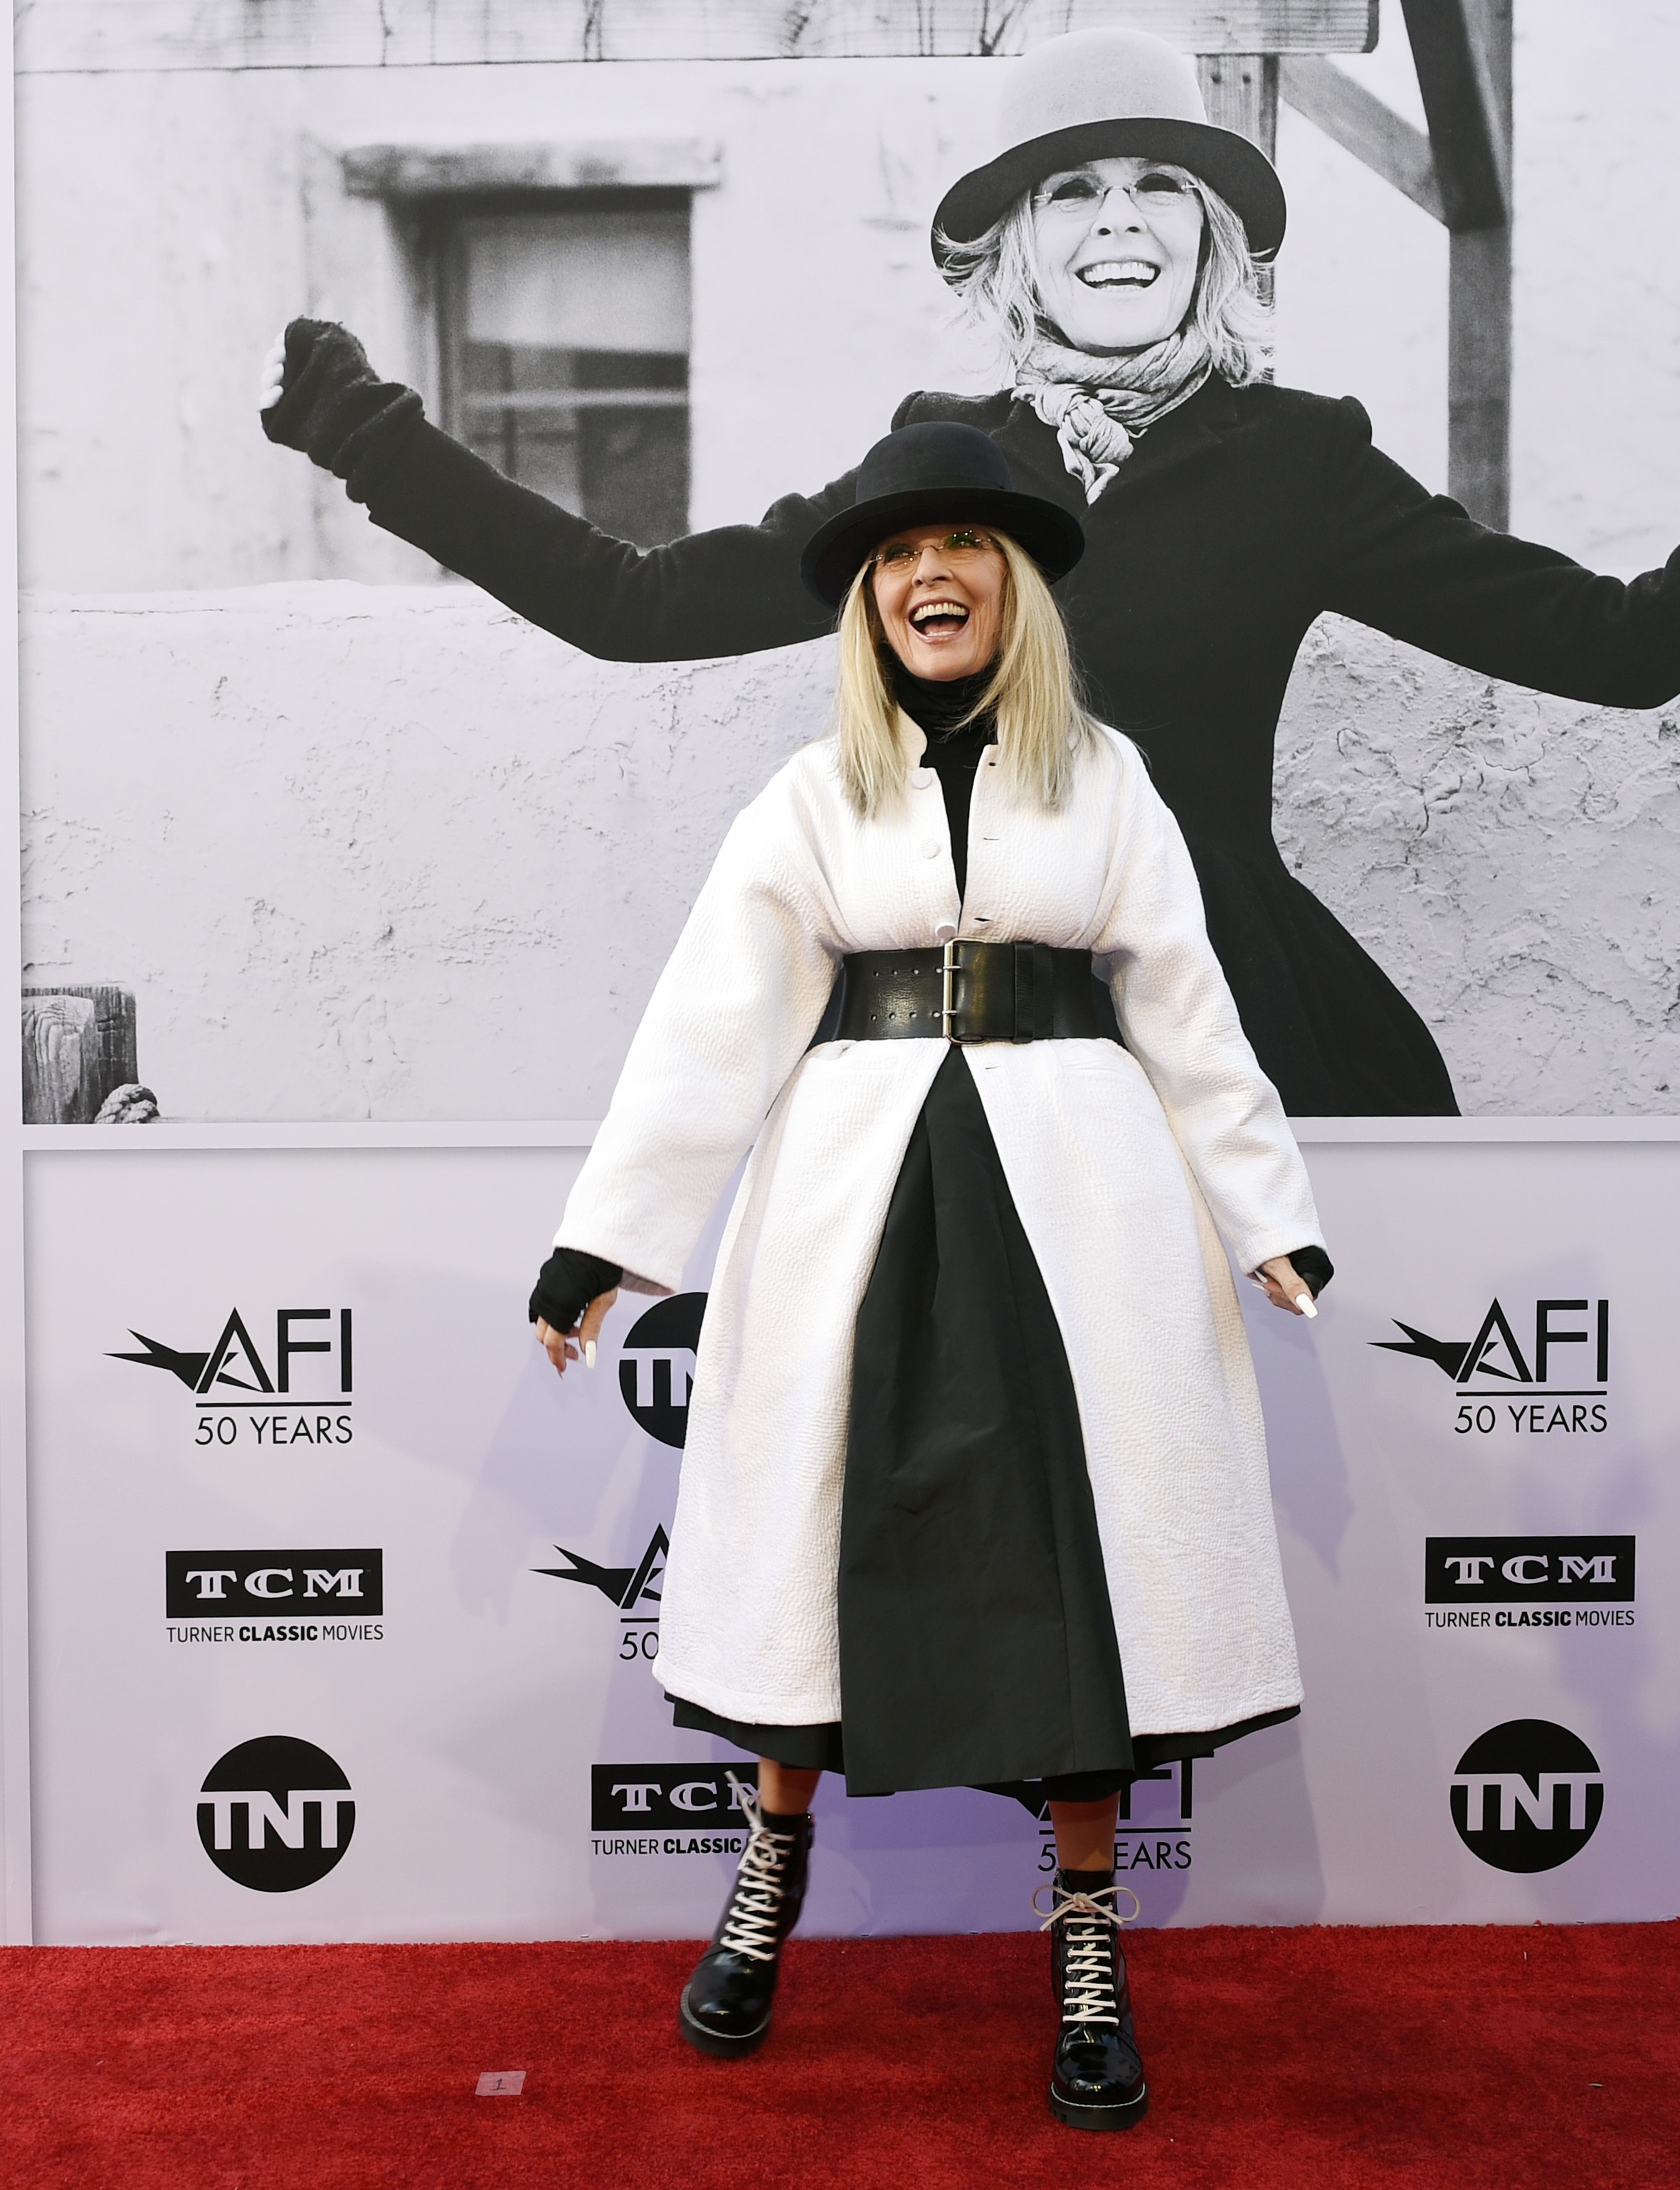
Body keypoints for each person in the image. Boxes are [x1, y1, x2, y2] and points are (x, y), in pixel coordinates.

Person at [258, 28, 1680, 1121]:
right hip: (961, 1021)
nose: (1116, 222)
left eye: (1154, 188)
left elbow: (1622, 649)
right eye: (1073, 191)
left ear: (1209, 235)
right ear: (1016, 245)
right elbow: (633, 609)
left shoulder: (1296, 458)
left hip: (1224, 1015)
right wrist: (374, 438)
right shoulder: (940, 462)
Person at [517, 418, 1331, 2130]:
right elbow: (711, 1022)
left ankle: (1088, 1936)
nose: (925, 574)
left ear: (1012, 583)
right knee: (818, 1522)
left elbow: (1186, 1007)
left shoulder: (1101, 779)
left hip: (1076, 1204)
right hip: (857, 1196)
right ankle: (765, 1875)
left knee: (1074, 1556)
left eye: (959, 546)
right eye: (895, 554)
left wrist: (1268, 1213)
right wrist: (608, 1237)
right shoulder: (813, 794)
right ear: (870, 599)